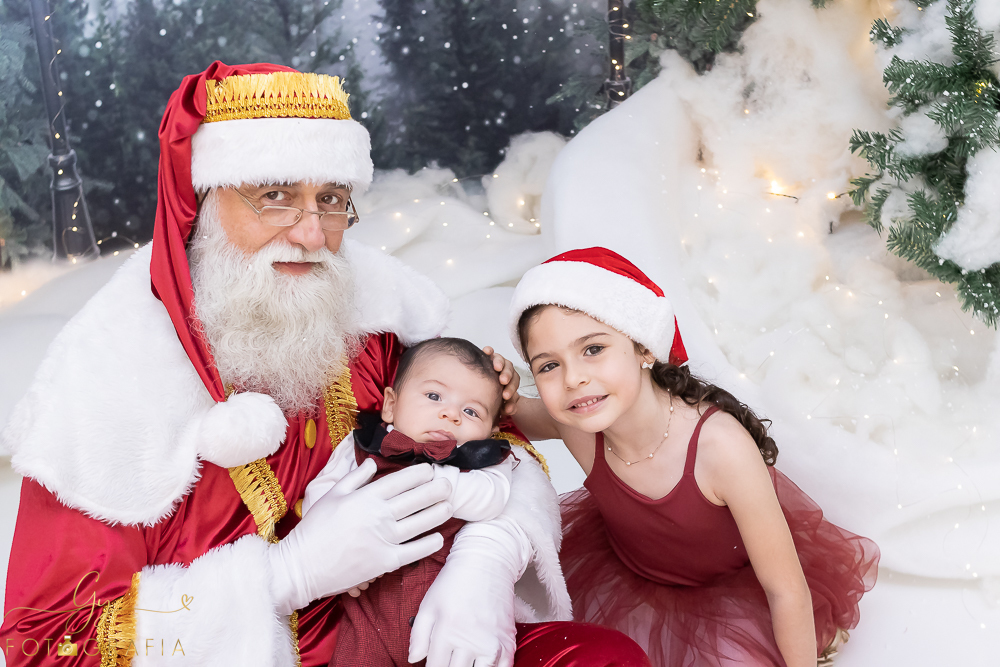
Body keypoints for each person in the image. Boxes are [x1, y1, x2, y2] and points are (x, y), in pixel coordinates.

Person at [0, 63, 651, 667]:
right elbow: (51, 640)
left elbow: (487, 441)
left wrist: (486, 558)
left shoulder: (370, 318)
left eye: (332, 199)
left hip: (417, 628)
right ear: (199, 202)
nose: (312, 234)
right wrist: (286, 577)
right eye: (276, 195)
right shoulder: (105, 382)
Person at [508, 247, 880, 667]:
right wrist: (490, 380)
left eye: (593, 349)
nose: (573, 379)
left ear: (644, 348)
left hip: (733, 585)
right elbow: (496, 410)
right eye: (548, 366)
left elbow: (784, 589)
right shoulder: (574, 422)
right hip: (629, 570)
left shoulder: (720, 449)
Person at [310, 337, 517, 667]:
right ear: (391, 405)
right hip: (368, 607)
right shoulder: (362, 446)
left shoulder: (480, 462)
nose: (450, 414)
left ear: (491, 431)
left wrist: (439, 480)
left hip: (445, 609)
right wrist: (332, 548)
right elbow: (322, 496)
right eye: (434, 396)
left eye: (471, 411)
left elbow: (492, 499)